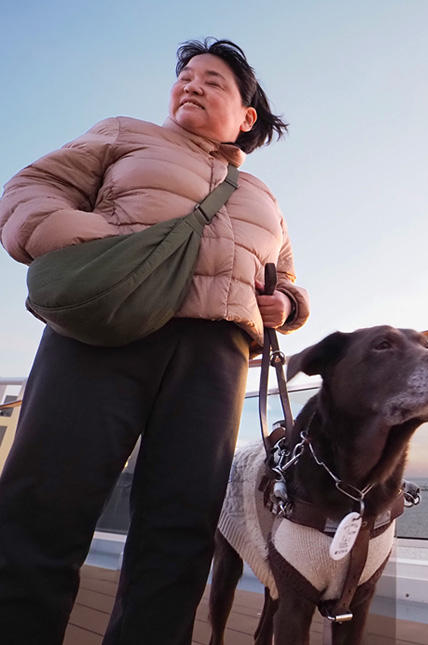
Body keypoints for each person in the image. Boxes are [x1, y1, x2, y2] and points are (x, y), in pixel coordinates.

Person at [0, 38, 310, 644]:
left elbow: (288, 281)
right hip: (104, 331)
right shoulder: (125, 133)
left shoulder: (264, 197)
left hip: (215, 358)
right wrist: (91, 236)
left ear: (246, 116)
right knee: (45, 506)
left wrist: (287, 304)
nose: (190, 85)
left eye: (212, 81)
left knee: (181, 530)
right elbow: (31, 188)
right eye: (185, 77)